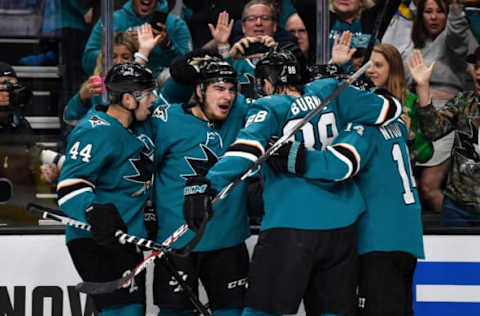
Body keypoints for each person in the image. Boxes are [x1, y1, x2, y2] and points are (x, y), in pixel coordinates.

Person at [184, 48, 402, 316]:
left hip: (291, 226)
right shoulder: (330, 91)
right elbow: (391, 109)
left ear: (266, 83)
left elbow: (246, 150)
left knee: (261, 311)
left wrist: (211, 183)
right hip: (343, 228)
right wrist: (359, 91)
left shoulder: (269, 106)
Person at [267, 117, 424, 316]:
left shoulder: (362, 127)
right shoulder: (396, 125)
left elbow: (338, 166)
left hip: (377, 239)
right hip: (406, 238)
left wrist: (293, 157)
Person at [150, 56, 251, 316]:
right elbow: (142, 166)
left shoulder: (239, 112)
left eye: (231, 89)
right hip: (178, 240)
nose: (227, 96)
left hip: (228, 240)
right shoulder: (167, 120)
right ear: (199, 90)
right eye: (219, 88)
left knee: (233, 312)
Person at [56, 62, 157, 316]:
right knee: (123, 312)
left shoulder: (135, 125)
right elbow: (70, 186)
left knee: (132, 310)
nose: (153, 100)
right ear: (127, 99)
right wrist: (92, 210)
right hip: (95, 239)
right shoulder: (96, 131)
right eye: (147, 94)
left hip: (126, 237)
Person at [405, 0, 476, 212]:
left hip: (446, 114)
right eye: (428, 11)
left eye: (440, 11)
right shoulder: (415, 42)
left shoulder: (454, 39)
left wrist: (455, 7)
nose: (434, 17)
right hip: (417, 112)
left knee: (429, 186)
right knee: (411, 185)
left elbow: (457, 32)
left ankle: (457, 229)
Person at [408, 47, 480, 226]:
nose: (478, 73)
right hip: (458, 209)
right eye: (477, 67)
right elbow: (433, 130)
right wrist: (423, 86)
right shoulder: (464, 102)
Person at [82, 0, 192, 77]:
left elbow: (188, 68)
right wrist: (121, 46)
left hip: (159, 90)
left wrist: (167, 45)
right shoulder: (111, 20)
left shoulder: (175, 24)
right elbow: (87, 62)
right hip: (116, 86)